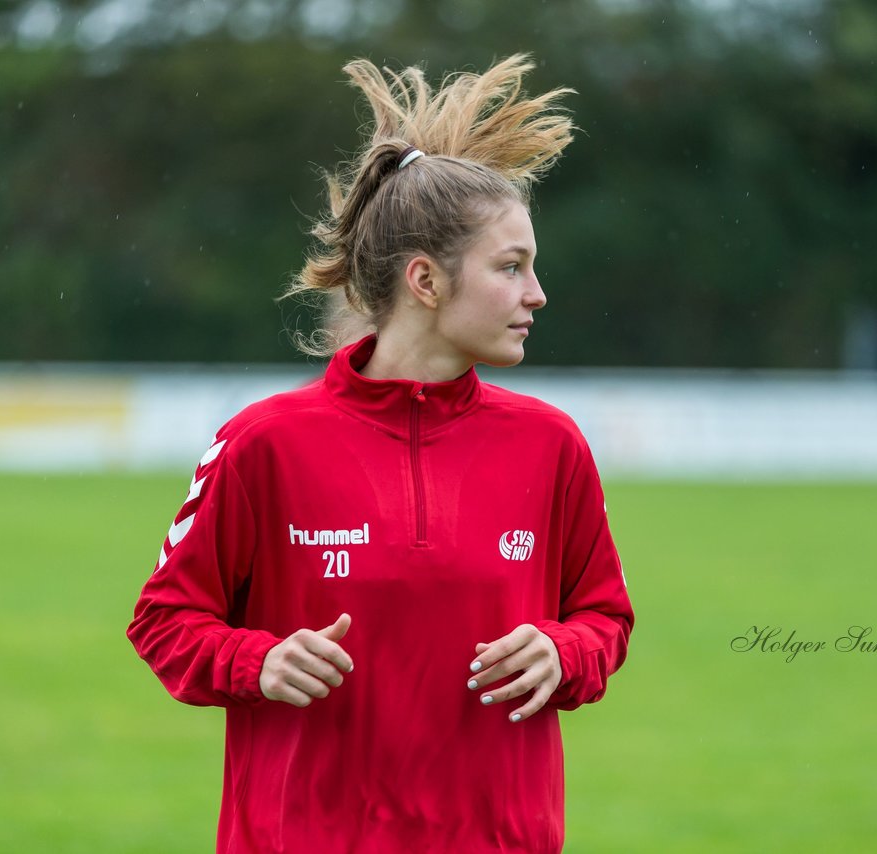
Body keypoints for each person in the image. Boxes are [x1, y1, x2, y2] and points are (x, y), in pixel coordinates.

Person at [127, 54, 634, 854]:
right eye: (512, 268)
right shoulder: (263, 444)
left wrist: (563, 651)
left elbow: (604, 617)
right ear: (427, 280)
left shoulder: (553, 447)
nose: (537, 294)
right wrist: (254, 662)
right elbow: (165, 620)